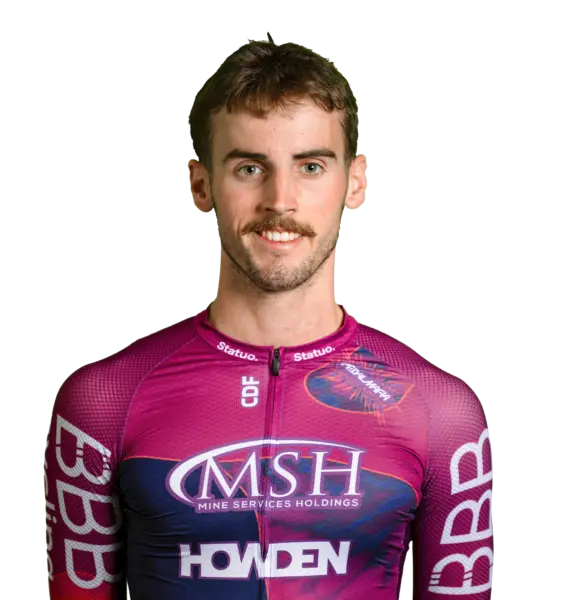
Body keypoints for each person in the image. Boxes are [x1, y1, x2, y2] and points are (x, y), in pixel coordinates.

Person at [42, 37, 495, 599]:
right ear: (201, 185)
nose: (280, 200)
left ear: (355, 182)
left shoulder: (441, 412)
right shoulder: (103, 402)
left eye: (311, 166)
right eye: (250, 167)